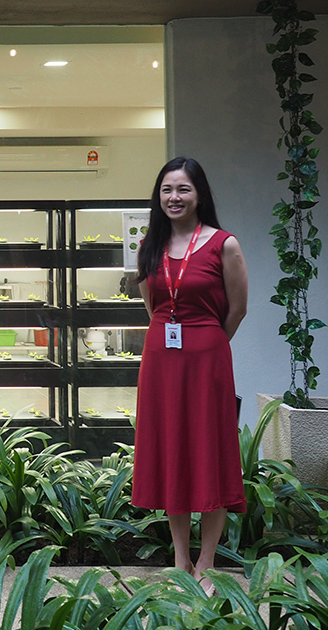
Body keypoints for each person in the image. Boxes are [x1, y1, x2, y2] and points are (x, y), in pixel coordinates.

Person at [130, 156, 248, 596]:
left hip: (208, 359)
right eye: (166, 190)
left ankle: (206, 560)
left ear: (199, 195)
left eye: (183, 190)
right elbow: (153, 308)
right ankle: (180, 558)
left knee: (211, 451)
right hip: (162, 358)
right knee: (172, 451)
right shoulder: (150, 246)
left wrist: (207, 342)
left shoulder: (224, 244)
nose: (174, 198)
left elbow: (237, 310)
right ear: (158, 197)